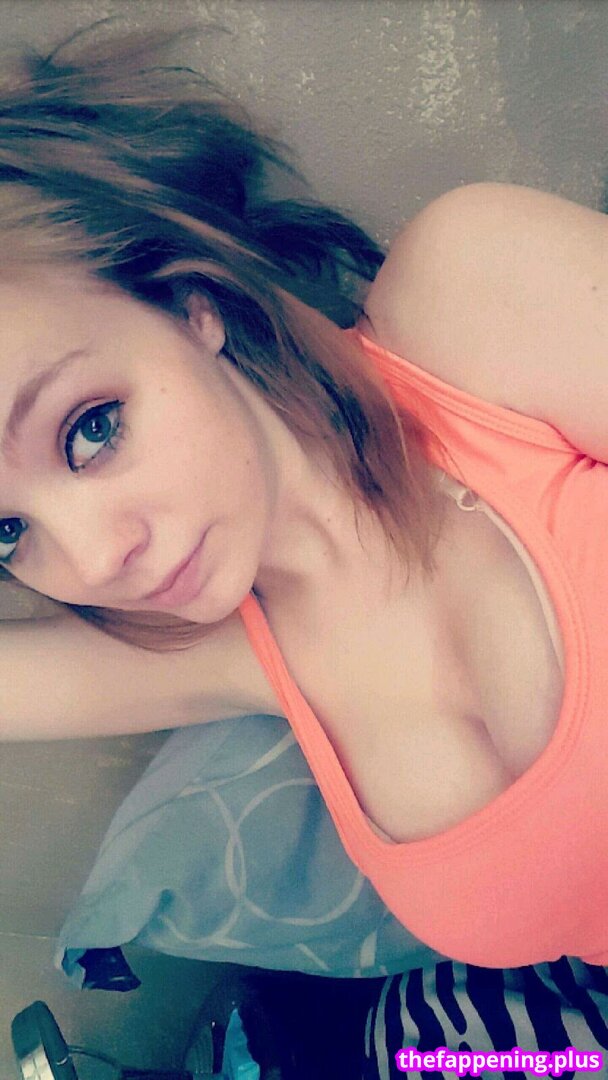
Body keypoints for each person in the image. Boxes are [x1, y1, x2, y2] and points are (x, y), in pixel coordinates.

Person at [0, 22, 606, 971]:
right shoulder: (232, 651)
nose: (91, 559)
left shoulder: (474, 297)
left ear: (190, 303)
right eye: (6, 531)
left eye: (91, 428)